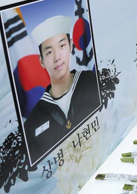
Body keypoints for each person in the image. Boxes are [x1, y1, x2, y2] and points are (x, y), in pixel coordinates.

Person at [23, 15, 100, 162]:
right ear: (41, 61)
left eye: (62, 46)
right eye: (49, 52)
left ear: (71, 46)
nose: (57, 57)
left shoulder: (92, 82)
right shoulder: (33, 122)